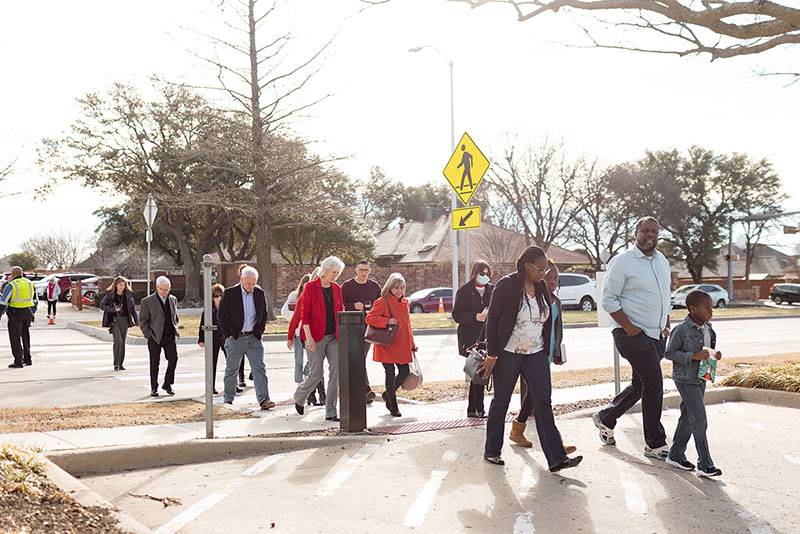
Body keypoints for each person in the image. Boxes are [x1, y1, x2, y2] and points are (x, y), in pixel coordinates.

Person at [481, 246, 582, 472]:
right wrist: (492, 354)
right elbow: (493, 321)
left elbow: (548, 319)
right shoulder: (506, 285)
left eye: (546, 268)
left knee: (543, 403)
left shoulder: (541, 287)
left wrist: (551, 349)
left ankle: (557, 458)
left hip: (536, 354)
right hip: (508, 353)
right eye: (540, 268)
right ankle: (492, 451)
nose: (544, 273)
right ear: (527, 266)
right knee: (501, 401)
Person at [592, 216, 673, 460]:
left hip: (657, 334)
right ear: (636, 233)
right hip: (632, 335)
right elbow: (608, 299)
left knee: (641, 384)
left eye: (654, 231)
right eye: (646, 230)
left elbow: (664, 294)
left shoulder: (662, 261)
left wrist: (666, 323)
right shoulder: (623, 261)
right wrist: (628, 327)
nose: (650, 235)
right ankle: (654, 443)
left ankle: (606, 417)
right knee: (655, 384)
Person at [511, 261, 577, 454]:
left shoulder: (556, 301)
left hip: (547, 352)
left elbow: (558, 328)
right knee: (542, 397)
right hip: (533, 352)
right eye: (549, 278)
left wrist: (557, 351)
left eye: (556, 278)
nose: (553, 282)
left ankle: (518, 428)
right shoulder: (535, 299)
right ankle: (555, 445)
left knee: (536, 393)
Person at [665, 290, 723, 478]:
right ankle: (705, 464)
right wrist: (693, 356)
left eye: (711, 307)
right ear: (693, 309)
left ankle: (675, 454)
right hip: (685, 378)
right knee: (699, 418)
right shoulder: (681, 330)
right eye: (707, 308)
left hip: (701, 377)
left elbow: (707, 351)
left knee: (688, 417)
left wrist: (715, 355)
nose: (711, 311)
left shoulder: (709, 329)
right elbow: (669, 353)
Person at [293, 256, 345, 422]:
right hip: (314, 336)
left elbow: (340, 311)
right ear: (325, 270)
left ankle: (331, 411)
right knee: (316, 374)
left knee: (336, 372)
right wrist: (308, 338)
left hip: (333, 337)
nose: (335, 276)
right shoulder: (310, 287)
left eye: (338, 273)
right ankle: (299, 396)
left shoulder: (337, 288)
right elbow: (305, 314)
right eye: (333, 272)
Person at [218, 265, 275, 410]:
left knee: (259, 369)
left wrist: (259, 331)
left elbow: (264, 314)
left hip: (254, 337)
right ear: (242, 279)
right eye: (248, 283)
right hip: (236, 337)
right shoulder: (230, 293)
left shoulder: (259, 293)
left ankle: (264, 400)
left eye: (254, 283)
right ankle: (228, 400)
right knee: (232, 369)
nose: (251, 286)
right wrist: (229, 335)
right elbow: (221, 316)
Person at [366, 273, 417, 417]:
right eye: (396, 288)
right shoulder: (382, 301)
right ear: (389, 287)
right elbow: (370, 318)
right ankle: (393, 405)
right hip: (386, 344)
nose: (399, 290)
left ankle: (387, 394)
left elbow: (408, 325)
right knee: (390, 373)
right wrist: (387, 321)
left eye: (401, 287)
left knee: (405, 371)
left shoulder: (405, 302)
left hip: (402, 344)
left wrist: (412, 343)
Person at [452, 259, 494, 418]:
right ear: (475, 274)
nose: (485, 277)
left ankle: (474, 408)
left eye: (488, 274)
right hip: (470, 337)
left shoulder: (493, 290)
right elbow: (457, 315)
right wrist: (475, 316)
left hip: (487, 336)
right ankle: (478, 408)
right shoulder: (464, 291)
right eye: (482, 274)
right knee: (477, 371)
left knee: (481, 372)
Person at [341, 259, 382, 404]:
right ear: (356, 270)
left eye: (366, 270)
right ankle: (364, 391)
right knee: (357, 359)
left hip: (368, 329)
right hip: (350, 329)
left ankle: (364, 391)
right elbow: (340, 305)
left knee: (360, 358)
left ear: (369, 271)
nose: (364, 273)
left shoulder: (374, 286)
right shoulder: (347, 286)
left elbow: (381, 304)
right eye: (361, 269)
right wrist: (353, 305)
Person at [286, 272, 326, 406]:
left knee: (316, 367)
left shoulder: (329, 293)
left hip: (324, 337)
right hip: (308, 336)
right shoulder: (305, 295)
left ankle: (318, 394)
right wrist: (290, 336)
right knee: (315, 367)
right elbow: (296, 318)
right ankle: (314, 395)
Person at [139, 276, 180, 397]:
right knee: (154, 363)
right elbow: (143, 321)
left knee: (173, 359)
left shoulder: (173, 299)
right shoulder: (147, 301)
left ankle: (167, 384)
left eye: (167, 289)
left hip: (169, 336)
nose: (165, 292)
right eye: (163, 289)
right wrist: (149, 335)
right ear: (157, 288)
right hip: (155, 337)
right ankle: (154, 387)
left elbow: (175, 316)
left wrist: (175, 326)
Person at [199, 283, 235, 395]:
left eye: (220, 295)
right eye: (215, 296)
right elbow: (202, 324)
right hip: (213, 338)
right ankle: (211, 386)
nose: (218, 298)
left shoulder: (228, 308)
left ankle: (233, 385)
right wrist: (201, 339)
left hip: (226, 337)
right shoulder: (209, 310)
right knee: (212, 363)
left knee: (232, 363)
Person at [0, 266, 38, 368]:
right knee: (26, 335)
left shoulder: (11, 285)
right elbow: (35, 301)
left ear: (13, 275)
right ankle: (28, 359)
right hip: (28, 313)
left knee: (15, 338)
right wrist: (32, 312)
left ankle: (18, 361)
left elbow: (3, 302)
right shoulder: (30, 283)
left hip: (15, 314)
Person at [100, 276, 138, 371]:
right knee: (118, 341)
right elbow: (102, 305)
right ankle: (116, 364)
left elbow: (133, 310)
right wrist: (112, 309)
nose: (122, 287)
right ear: (116, 285)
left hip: (124, 321)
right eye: (120, 285)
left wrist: (137, 321)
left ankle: (120, 364)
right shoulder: (110, 295)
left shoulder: (128, 296)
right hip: (114, 320)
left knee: (123, 343)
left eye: (124, 285)